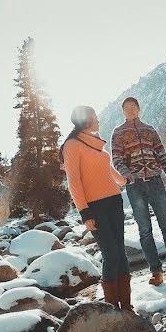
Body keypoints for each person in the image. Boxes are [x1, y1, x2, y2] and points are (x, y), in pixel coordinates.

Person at [111, 96, 166, 286]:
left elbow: (162, 154)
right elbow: (116, 159)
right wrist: (127, 175)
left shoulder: (150, 130)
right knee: (145, 230)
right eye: (126, 108)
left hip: (156, 182)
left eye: (133, 106)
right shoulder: (118, 133)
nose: (130, 110)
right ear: (123, 111)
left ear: (139, 108)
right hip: (134, 186)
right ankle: (156, 272)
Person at [59, 105, 133, 310]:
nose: (98, 120)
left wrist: (124, 180)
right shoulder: (72, 145)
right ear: (86, 119)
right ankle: (111, 307)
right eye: (95, 117)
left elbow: (106, 169)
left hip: (114, 201)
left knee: (121, 252)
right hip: (95, 207)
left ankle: (126, 306)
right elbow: (74, 182)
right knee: (111, 254)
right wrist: (84, 212)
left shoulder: (95, 144)